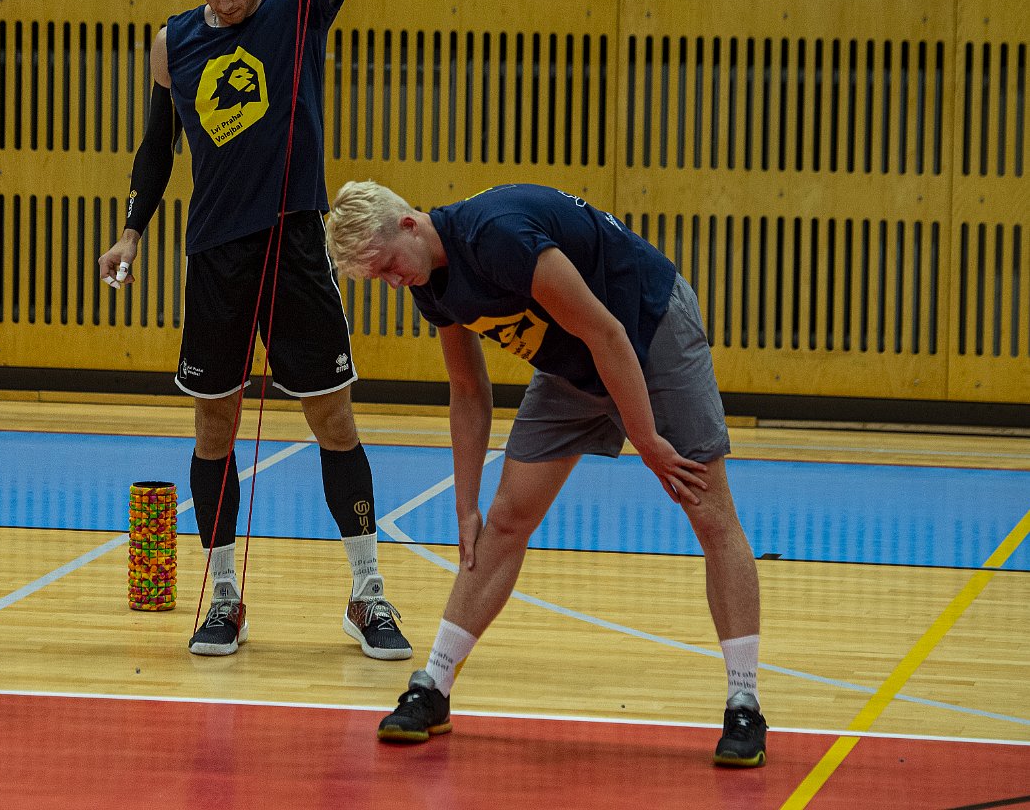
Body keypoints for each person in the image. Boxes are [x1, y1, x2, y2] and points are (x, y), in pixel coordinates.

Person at [95, 0, 410, 662]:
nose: (224, 5)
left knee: (333, 418)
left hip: (294, 244)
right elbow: (157, 147)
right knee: (215, 423)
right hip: (216, 257)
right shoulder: (174, 43)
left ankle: (367, 593)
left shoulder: (300, 5)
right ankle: (224, 595)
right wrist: (130, 232)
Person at [323, 180, 767, 767]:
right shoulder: (430, 283)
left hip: (647, 329)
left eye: (387, 266)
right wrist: (465, 504)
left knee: (709, 511)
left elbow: (607, 332)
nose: (392, 282)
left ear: (409, 223)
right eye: (378, 278)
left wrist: (647, 440)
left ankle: (744, 703)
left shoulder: (498, 235)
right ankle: (434, 687)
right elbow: (468, 390)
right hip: (572, 363)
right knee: (506, 519)